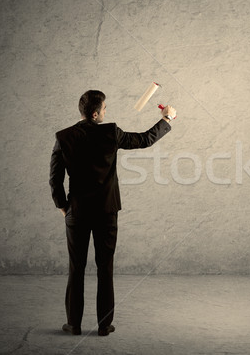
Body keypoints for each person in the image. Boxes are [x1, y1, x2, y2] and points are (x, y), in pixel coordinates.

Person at [49, 90, 176, 336]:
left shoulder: (63, 137)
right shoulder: (111, 132)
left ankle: (73, 324)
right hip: (107, 212)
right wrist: (167, 119)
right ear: (95, 113)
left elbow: (55, 178)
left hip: (77, 211)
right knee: (105, 267)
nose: (106, 112)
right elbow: (144, 139)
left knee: (76, 268)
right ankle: (104, 325)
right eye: (105, 109)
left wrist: (63, 205)